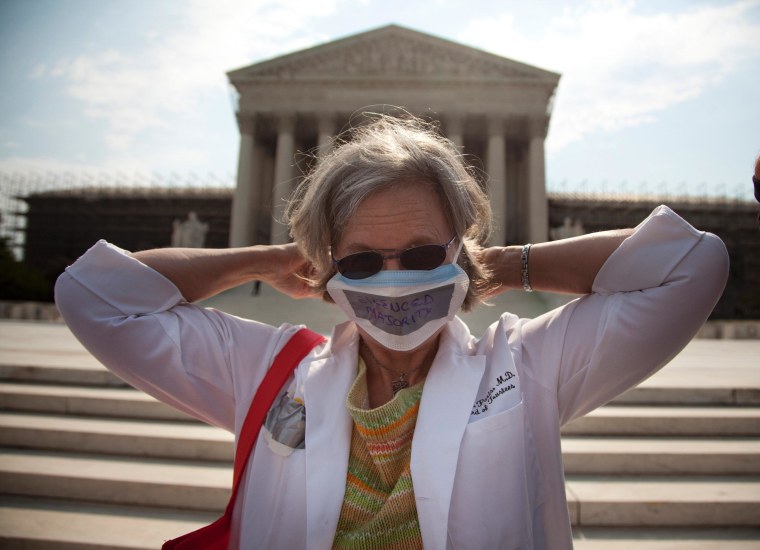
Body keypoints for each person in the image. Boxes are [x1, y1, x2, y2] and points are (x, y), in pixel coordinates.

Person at [55, 114, 729, 549]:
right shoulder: (268, 372)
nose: (395, 278)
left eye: (421, 254)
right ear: (328, 270)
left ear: (457, 255)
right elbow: (94, 296)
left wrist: (496, 265)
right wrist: (265, 260)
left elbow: (691, 265)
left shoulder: (526, 366)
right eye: (362, 261)